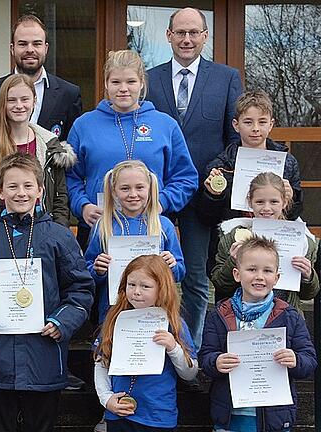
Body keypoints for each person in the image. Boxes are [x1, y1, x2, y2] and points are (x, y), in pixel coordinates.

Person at [0, 153, 94, 432]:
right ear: (0, 191)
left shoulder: (58, 235)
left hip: (43, 356)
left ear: (41, 190)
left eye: (28, 186)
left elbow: (80, 289)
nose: (21, 193)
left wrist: (61, 322)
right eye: (13, 186)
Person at [145, 7, 243, 350]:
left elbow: (235, 139)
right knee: (152, 274)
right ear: (169, 36)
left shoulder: (226, 78)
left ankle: (192, 350)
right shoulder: (149, 78)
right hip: (154, 197)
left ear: (205, 37)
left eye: (194, 33)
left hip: (204, 198)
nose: (187, 39)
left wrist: (220, 177)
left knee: (198, 279)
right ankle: (154, 344)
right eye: (180, 32)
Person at [66, 49, 197, 249]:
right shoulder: (84, 125)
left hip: (151, 227)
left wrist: (161, 202)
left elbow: (186, 178)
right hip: (98, 228)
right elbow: (70, 177)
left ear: (142, 83)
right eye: (116, 82)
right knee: (97, 278)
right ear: (106, 84)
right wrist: (82, 205)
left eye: (131, 82)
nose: (123, 89)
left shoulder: (165, 125)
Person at [199, 237, 317, 431]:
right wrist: (216, 362)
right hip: (231, 414)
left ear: (277, 278)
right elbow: (205, 356)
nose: (260, 276)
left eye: (267, 271)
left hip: (274, 416)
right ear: (237, 274)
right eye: (252, 269)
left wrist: (295, 359)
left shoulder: (290, 316)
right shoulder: (219, 314)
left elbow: (309, 360)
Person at [94, 255, 198, 431]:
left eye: (146, 286)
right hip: (118, 412)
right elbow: (101, 363)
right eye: (131, 284)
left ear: (162, 289)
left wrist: (174, 348)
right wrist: (106, 398)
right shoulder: (114, 320)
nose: (136, 291)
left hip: (158, 415)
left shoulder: (174, 323)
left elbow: (190, 372)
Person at [0, 74, 76, 227]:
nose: (19, 105)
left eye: (25, 99)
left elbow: (60, 199)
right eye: (11, 100)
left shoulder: (50, 146)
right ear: (2, 104)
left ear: (34, 101)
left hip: (41, 231)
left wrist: (59, 232)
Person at [85, 160, 185, 323]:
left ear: (150, 189)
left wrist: (172, 265)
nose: (133, 194)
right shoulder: (103, 226)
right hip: (114, 309)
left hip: (156, 309)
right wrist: (98, 270)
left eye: (139, 187)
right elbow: (88, 270)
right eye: (125, 188)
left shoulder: (163, 226)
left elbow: (180, 272)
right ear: (114, 191)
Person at [210, 172, 319, 311]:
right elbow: (220, 284)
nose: (266, 208)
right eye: (260, 202)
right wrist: (232, 261)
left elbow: (308, 294)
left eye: (274, 202)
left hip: (288, 319)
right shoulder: (234, 236)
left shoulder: (302, 241)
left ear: (284, 202)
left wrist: (308, 275)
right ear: (250, 202)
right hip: (243, 318)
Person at [193, 89, 303, 227]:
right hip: (233, 239)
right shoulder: (220, 167)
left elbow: (293, 215)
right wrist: (214, 195)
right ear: (236, 125)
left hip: (275, 237)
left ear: (271, 125)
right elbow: (207, 220)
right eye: (248, 122)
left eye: (262, 122)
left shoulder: (287, 162)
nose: (255, 128)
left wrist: (291, 197)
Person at [0, 14, 81, 144]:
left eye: (36, 44)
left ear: (46, 48)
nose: (30, 50)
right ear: (12, 48)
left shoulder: (69, 94)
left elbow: (72, 148)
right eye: (23, 44)